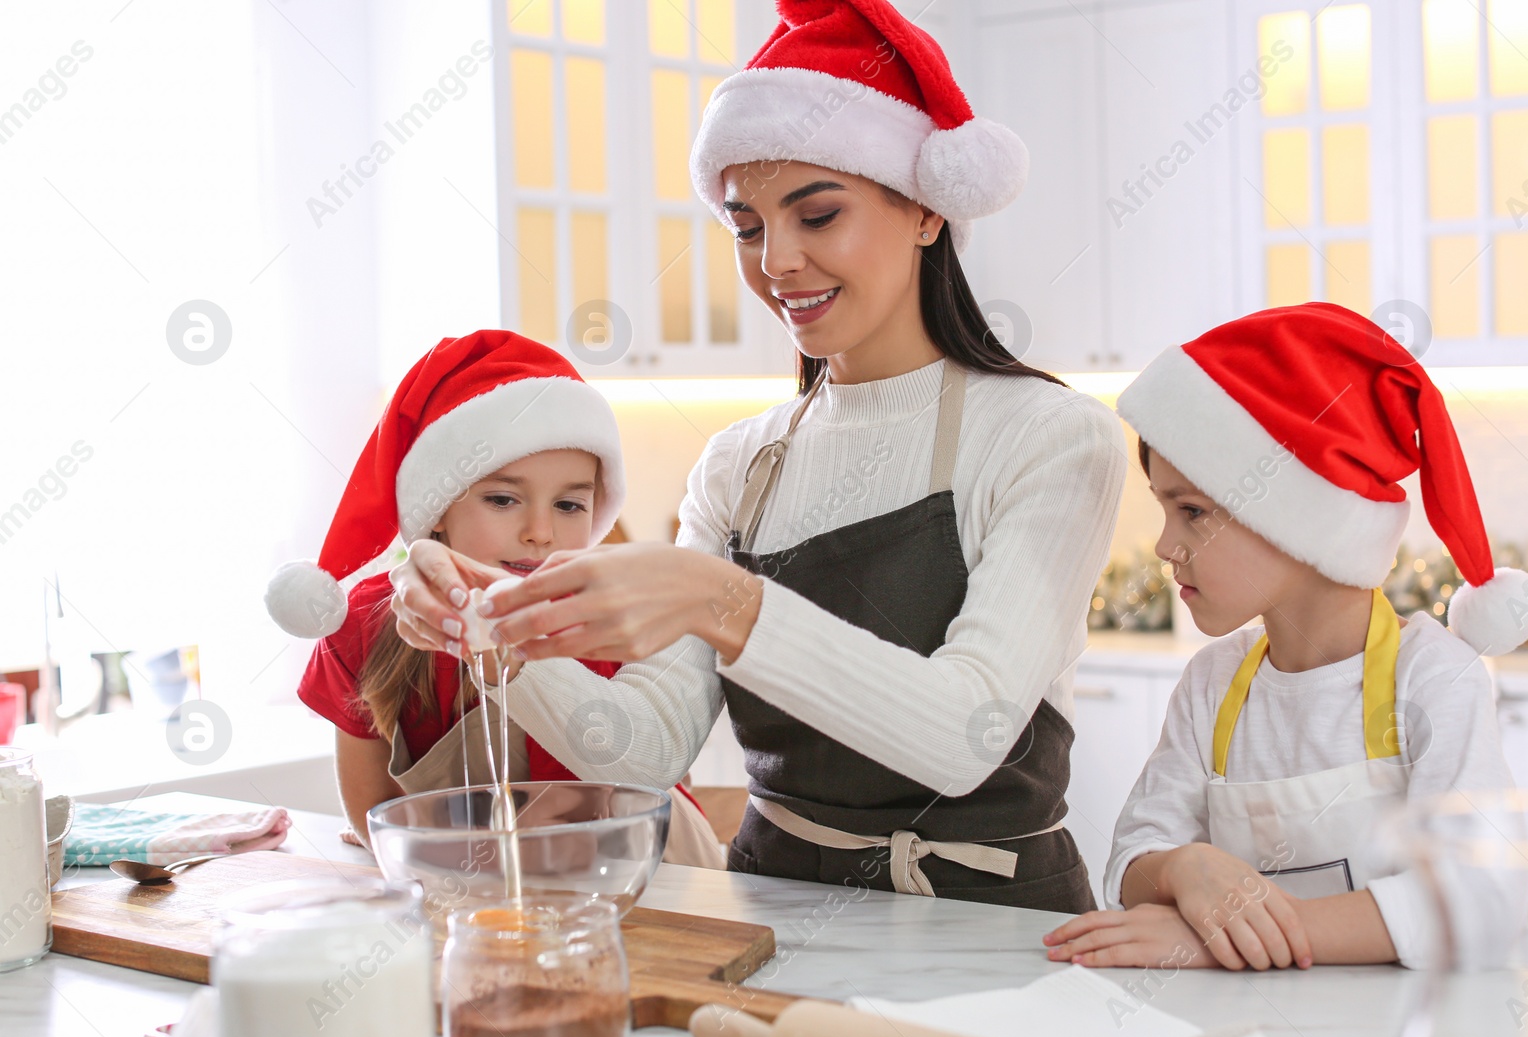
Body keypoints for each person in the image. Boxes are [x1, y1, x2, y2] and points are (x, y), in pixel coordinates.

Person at [386, 0, 1125, 911]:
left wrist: (718, 598)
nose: (777, 260)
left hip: (991, 919)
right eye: (747, 226)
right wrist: (489, 630)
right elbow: (646, 744)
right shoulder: (739, 465)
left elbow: (961, 735)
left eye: (818, 215)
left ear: (929, 211)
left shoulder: (1051, 437)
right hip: (778, 909)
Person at [1043, 302, 1528, 969]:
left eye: (1192, 512)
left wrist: (1222, 937)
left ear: (1301, 522)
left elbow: (1478, 897)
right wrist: (1183, 868)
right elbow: (1134, 855)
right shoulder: (1213, 684)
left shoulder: (1433, 678)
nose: (1167, 545)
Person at [264, 330, 723, 867]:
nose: (539, 532)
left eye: (569, 506)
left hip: (642, 878)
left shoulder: (618, 617)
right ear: (436, 507)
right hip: (478, 893)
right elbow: (374, 813)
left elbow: (658, 774)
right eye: (503, 499)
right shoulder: (363, 628)